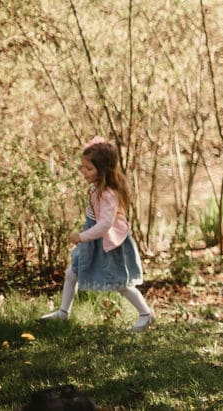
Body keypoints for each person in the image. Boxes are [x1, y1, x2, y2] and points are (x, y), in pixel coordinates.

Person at [40, 137, 154, 332]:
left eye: (88, 168)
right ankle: (63, 313)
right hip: (93, 242)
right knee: (72, 272)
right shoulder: (96, 188)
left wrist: (82, 236)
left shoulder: (108, 194)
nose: (83, 171)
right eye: (83, 167)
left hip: (108, 244)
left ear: (103, 170)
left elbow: (104, 225)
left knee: (120, 283)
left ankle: (146, 314)